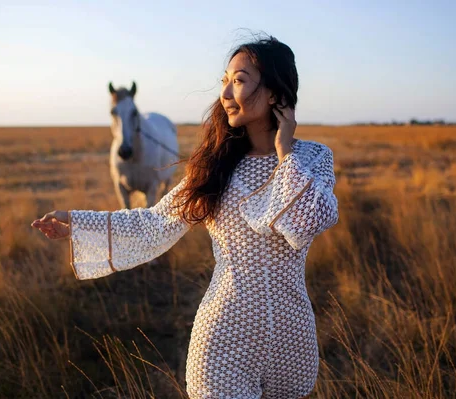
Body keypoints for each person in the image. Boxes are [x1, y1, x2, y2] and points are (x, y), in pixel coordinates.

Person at [31, 35, 339, 399]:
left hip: (294, 345)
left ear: (274, 92)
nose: (225, 93)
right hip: (224, 341)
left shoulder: (313, 159)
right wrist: (80, 223)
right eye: (224, 81)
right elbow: (153, 224)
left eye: (238, 81)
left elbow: (305, 224)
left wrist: (285, 151)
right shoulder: (213, 168)